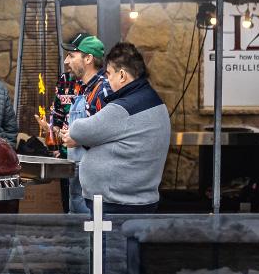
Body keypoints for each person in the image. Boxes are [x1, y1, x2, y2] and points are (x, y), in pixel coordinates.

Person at [63, 42, 170, 214]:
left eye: (109, 74)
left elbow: (78, 130)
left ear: (122, 75)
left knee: (113, 242)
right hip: (134, 200)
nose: (108, 80)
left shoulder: (125, 108)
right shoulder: (152, 99)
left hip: (117, 204)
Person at [51, 33, 113, 214]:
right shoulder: (85, 88)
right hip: (78, 171)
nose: (66, 61)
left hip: (94, 178)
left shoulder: (103, 90)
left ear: (88, 58)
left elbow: (109, 134)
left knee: (92, 230)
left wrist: (78, 138)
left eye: (72, 56)